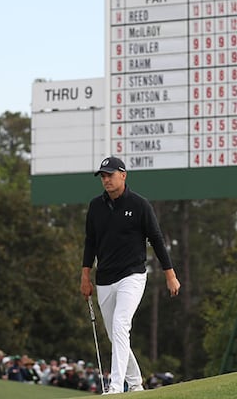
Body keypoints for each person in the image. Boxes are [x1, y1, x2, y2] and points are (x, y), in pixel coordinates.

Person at [80, 156, 181, 394]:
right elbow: (90, 243)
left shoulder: (139, 204)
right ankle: (136, 384)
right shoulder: (95, 206)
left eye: (110, 175)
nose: (106, 180)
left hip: (132, 275)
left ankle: (116, 387)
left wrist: (170, 275)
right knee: (116, 336)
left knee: (120, 325)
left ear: (123, 175)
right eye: (103, 176)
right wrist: (85, 276)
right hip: (104, 278)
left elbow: (156, 239)